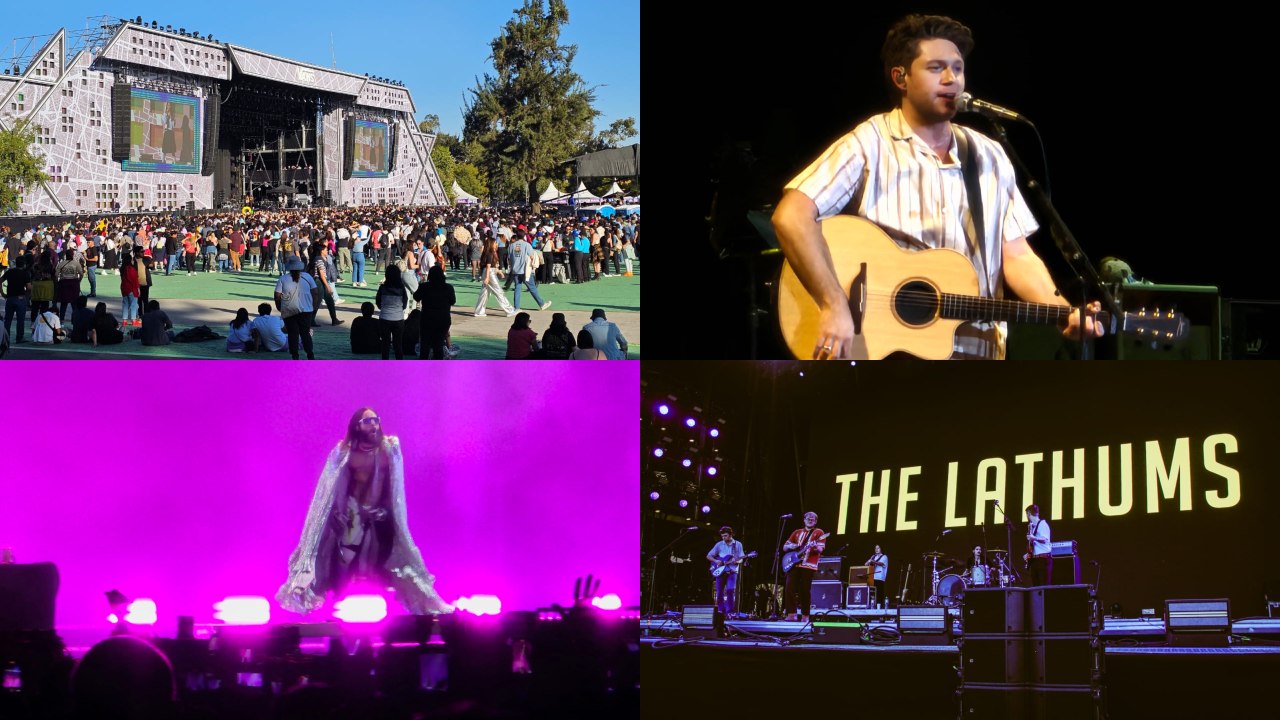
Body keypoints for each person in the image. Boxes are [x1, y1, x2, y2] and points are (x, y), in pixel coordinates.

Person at [769, 13, 1102, 360]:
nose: (952, 79)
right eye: (935, 68)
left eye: (957, 68)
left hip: (980, 352)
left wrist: (1062, 310)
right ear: (901, 78)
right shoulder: (870, 143)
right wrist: (833, 302)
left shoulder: (988, 154)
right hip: (890, 354)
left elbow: (1016, 256)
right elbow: (791, 217)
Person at [277, 408, 453, 615]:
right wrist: (341, 515)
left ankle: (422, 602)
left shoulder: (388, 450)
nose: (373, 424)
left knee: (386, 564)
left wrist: (384, 512)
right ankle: (344, 605)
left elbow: (394, 487)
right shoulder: (344, 454)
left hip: (379, 518)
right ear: (357, 426)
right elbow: (333, 490)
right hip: (352, 519)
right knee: (348, 564)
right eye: (367, 421)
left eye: (376, 420)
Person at [782, 511, 826, 622]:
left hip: (808, 565)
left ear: (815, 521)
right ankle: (791, 614)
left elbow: (820, 549)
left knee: (804, 590)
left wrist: (815, 545)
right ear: (804, 520)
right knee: (789, 588)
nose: (810, 520)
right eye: (808, 518)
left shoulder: (819, 532)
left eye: (813, 519)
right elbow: (785, 547)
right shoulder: (797, 532)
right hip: (794, 564)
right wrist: (794, 545)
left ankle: (805, 615)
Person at [274, 256, 320, 360]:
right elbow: (315, 293)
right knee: (305, 333)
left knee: (292, 334)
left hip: (289, 310)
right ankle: (310, 354)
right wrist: (313, 306)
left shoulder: (283, 278)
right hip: (306, 310)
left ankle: (295, 356)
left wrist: (279, 307)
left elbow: (277, 295)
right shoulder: (308, 277)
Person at [414, 263, 455, 360]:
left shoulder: (424, 287)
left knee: (425, 345)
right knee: (439, 345)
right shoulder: (449, 287)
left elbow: (416, 297)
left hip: (427, 319)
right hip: (443, 319)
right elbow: (453, 301)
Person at [507, 230, 552, 311]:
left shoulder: (512, 245)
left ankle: (516, 307)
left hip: (515, 270)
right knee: (532, 287)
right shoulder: (526, 245)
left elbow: (509, 258)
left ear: (516, 236)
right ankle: (541, 304)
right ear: (524, 236)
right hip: (525, 270)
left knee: (517, 287)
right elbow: (532, 256)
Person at [706, 526, 746, 617]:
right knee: (719, 592)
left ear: (731, 534)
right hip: (720, 571)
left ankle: (730, 612)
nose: (723, 538)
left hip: (732, 571)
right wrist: (716, 561)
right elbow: (708, 556)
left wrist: (738, 561)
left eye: (725, 536)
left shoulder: (738, 544)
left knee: (730, 590)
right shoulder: (719, 544)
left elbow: (741, 558)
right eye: (722, 536)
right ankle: (721, 611)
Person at [375, 265, 413, 360]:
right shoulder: (401, 288)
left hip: (384, 318)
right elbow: (405, 303)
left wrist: (384, 309)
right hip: (398, 319)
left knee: (385, 344)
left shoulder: (382, 288)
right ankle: (399, 366)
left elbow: (378, 302)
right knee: (398, 345)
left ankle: (385, 366)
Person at [2, 255, 32, 344]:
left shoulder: (10, 272)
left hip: (10, 297)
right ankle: (19, 337)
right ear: (24, 264)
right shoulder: (25, 273)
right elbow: (29, 287)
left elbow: (1, 280)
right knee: (20, 319)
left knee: (8, 319)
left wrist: (3, 293)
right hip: (20, 297)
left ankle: (5, 337)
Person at [1024, 504, 1052, 586]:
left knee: (1043, 585)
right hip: (1035, 560)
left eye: (1027, 514)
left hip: (1043, 559)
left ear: (1029, 513)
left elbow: (1045, 539)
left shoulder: (1042, 524)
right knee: (1036, 586)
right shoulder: (1034, 527)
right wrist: (1029, 554)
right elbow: (1035, 545)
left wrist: (1033, 538)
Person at [866, 544, 889, 609]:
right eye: (875, 548)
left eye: (878, 548)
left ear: (881, 549)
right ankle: (872, 606)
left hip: (879, 578)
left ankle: (880, 607)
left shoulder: (884, 557)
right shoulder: (873, 556)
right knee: (872, 593)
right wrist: (869, 562)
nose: (876, 549)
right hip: (872, 578)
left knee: (879, 593)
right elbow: (866, 564)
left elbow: (881, 563)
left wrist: (873, 561)